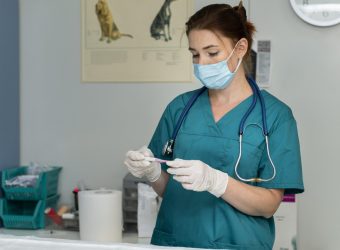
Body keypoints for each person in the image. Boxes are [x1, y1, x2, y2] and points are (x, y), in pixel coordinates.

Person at [124, 2, 304, 249]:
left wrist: (217, 182)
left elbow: (269, 204)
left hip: (240, 244)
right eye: (195, 54)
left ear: (240, 48)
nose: (202, 63)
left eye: (212, 53)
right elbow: (171, 191)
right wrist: (152, 173)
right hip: (174, 242)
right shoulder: (179, 108)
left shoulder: (275, 116)